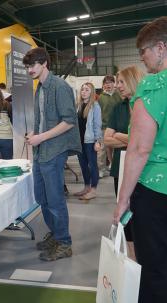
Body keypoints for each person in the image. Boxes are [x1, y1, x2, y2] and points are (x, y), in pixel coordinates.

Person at [113, 16, 167, 303]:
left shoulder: (154, 86)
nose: (143, 59)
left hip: (157, 192)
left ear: (160, 48)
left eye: (143, 51)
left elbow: (139, 149)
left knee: (155, 270)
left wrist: (123, 199)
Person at [23, 47, 81, 261]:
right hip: (41, 151)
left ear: (44, 63)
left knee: (55, 199)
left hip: (54, 151)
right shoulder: (40, 87)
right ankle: (56, 235)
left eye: (33, 65)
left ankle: (64, 242)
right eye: (27, 66)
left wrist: (41, 137)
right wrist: (34, 134)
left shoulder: (59, 87)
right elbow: (44, 120)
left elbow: (69, 121)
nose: (29, 70)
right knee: (42, 197)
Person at [105, 66, 144, 260]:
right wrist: (129, 138)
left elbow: (146, 141)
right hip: (120, 169)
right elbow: (106, 139)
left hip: (143, 170)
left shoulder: (145, 104)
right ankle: (132, 259)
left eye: (121, 82)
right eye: (117, 82)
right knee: (125, 217)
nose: (118, 86)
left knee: (143, 218)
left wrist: (119, 135)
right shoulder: (118, 108)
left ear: (132, 80)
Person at [74, 82, 102, 201]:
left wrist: (98, 141)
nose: (84, 91)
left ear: (91, 92)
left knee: (92, 165)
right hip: (80, 141)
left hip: (90, 141)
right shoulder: (78, 106)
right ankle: (86, 187)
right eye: (82, 89)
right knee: (83, 165)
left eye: (87, 90)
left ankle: (93, 190)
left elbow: (97, 125)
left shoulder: (95, 106)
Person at [98, 75, 122, 177]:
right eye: (106, 83)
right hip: (105, 126)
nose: (108, 85)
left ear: (114, 84)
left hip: (118, 126)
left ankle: (115, 164)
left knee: (117, 146)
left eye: (110, 82)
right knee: (103, 148)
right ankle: (101, 169)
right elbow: (98, 113)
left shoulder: (119, 95)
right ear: (103, 85)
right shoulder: (100, 97)